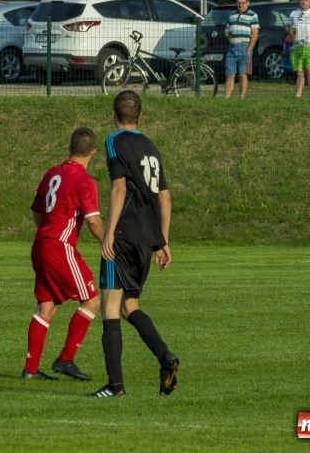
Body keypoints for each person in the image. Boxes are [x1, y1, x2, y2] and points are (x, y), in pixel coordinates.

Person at [90, 90, 178, 398]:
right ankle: (165, 356)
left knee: (110, 308)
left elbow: (118, 187)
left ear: (113, 115)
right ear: (140, 116)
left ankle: (115, 387)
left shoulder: (114, 141)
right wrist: (162, 240)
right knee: (130, 306)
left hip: (124, 235)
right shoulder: (150, 146)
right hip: (145, 240)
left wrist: (109, 233)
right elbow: (164, 196)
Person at [22, 127, 105, 381]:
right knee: (91, 300)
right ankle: (66, 359)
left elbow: (37, 209)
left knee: (46, 306)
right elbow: (92, 221)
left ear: (69, 147)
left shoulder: (52, 173)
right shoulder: (84, 181)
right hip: (60, 246)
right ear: (93, 152)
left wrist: (46, 231)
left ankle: (31, 369)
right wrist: (108, 243)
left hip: (41, 244)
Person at [223, 0, 259, 98]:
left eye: (243, 3)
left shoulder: (253, 15)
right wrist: (227, 33)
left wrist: (249, 49)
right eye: (239, 3)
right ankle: (227, 97)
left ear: (248, 3)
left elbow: (255, 34)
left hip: (244, 47)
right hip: (232, 48)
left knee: (243, 74)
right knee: (229, 74)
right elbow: (227, 29)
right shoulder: (232, 14)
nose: (241, 5)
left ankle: (241, 98)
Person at [287, 0, 310, 98]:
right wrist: (291, 31)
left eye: (306, 0)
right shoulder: (294, 13)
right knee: (299, 71)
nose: (304, 2)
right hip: (296, 46)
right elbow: (288, 27)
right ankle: (298, 94)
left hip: (309, 45)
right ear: (299, 1)